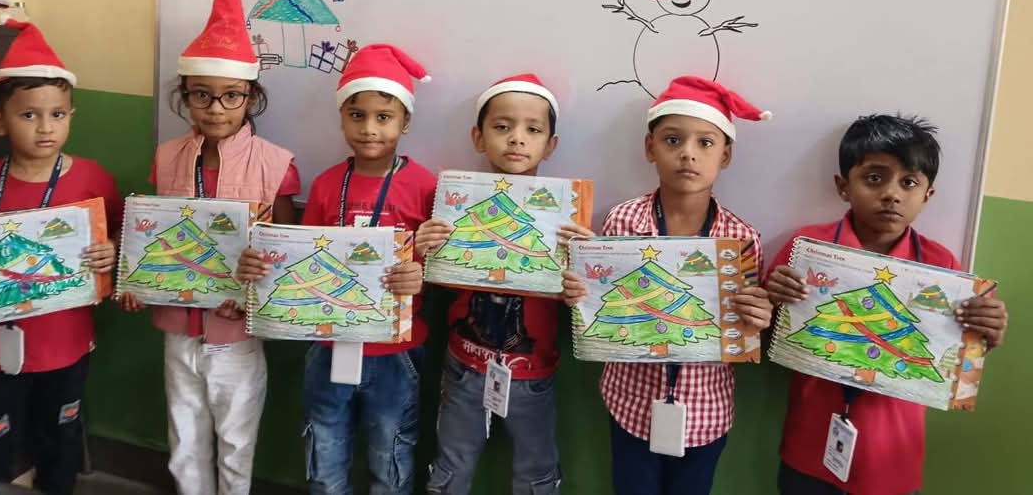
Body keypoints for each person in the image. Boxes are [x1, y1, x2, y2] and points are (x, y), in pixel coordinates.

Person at [119, 0, 300, 495]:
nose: (216, 109)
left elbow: (284, 255)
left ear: (251, 96)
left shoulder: (276, 163)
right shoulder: (167, 156)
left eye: (230, 96)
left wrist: (258, 281)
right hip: (178, 328)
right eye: (202, 95)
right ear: (185, 95)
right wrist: (136, 281)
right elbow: (151, 239)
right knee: (184, 443)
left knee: (237, 447)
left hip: (237, 334)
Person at [764, 114, 1008, 495]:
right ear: (843, 187)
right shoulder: (808, 249)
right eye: (874, 178)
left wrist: (985, 334)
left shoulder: (942, 267)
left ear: (927, 195)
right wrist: (771, 301)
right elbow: (763, 337)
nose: (892, 194)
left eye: (908, 182)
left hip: (893, 460)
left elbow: (956, 363)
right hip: (808, 451)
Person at [563, 75, 774, 495]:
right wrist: (578, 295)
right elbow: (602, 303)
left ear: (726, 155)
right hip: (630, 400)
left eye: (705, 143)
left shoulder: (741, 238)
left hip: (706, 407)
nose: (688, 154)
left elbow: (743, 332)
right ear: (650, 147)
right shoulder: (623, 221)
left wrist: (758, 318)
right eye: (673, 140)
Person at [239, 44, 432, 495]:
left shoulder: (425, 185)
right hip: (327, 345)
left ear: (405, 121)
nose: (369, 128)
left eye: (384, 117)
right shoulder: (327, 185)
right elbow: (303, 262)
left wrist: (420, 273)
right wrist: (264, 265)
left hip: (396, 350)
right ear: (342, 117)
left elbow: (438, 261)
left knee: (391, 455)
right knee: (324, 451)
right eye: (357, 115)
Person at [0, 19, 119, 495]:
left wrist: (111, 253)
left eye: (57, 114)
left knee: (60, 443)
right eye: (29, 115)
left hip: (64, 345)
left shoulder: (92, 180)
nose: (45, 127)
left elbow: (120, 241)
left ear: (71, 116)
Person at [417, 74, 590, 495]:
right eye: (502, 126)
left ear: (550, 144)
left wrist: (587, 268)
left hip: (531, 370)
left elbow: (582, 301)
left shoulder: (567, 220)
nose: (517, 138)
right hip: (464, 364)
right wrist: (422, 249)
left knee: (535, 469)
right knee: (452, 463)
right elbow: (429, 279)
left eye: (533, 129)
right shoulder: (452, 206)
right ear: (478, 137)